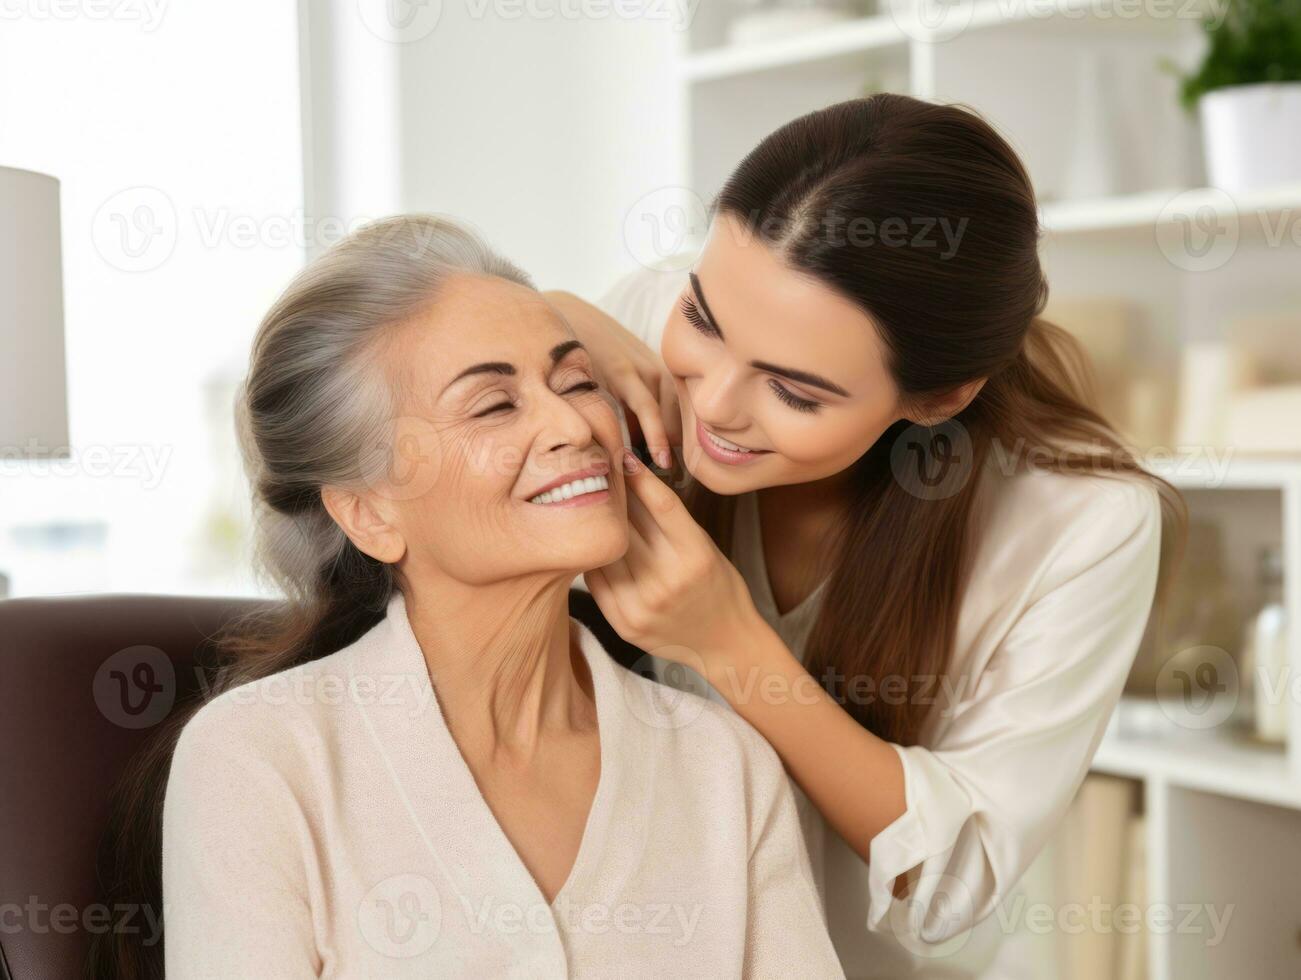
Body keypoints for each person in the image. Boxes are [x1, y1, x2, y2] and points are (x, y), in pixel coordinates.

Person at [544, 94, 1183, 975]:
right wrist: (539, 322)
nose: (714, 403)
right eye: (702, 320)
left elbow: (951, 883)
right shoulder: (646, 319)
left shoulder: (1078, 522)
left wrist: (732, 646)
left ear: (938, 397)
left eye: (795, 391)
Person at [154, 215, 844, 977]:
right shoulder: (260, 762)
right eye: (493, 405)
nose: (572, 424)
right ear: (370, 512)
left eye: (579, 382)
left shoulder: (722, 765)